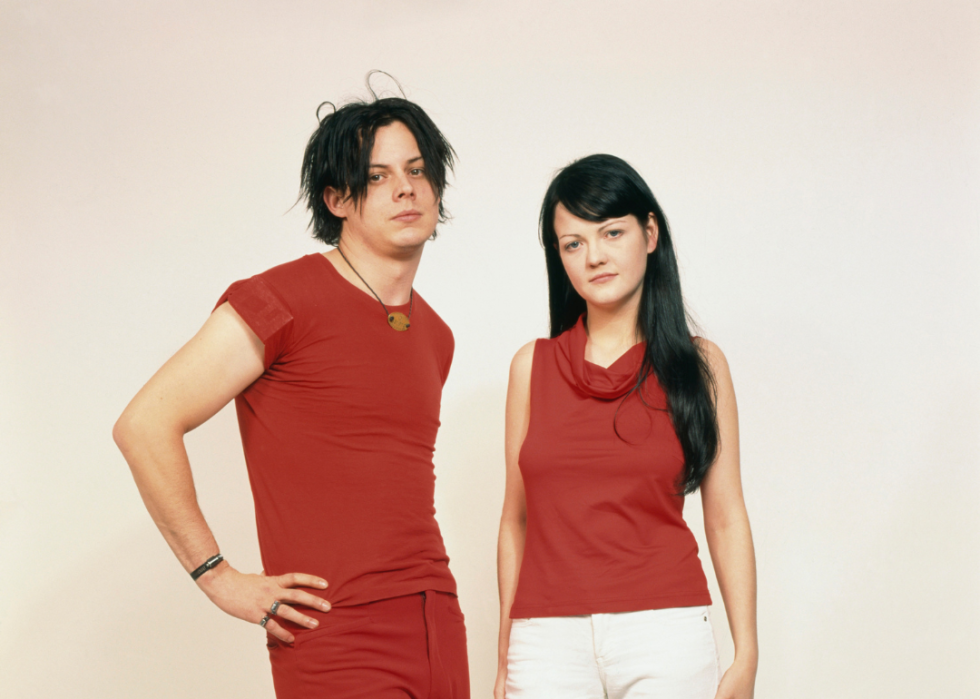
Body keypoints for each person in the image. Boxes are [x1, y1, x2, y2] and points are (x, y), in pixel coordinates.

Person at [113, 94, 469, 699]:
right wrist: (217, 577)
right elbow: (144, 425)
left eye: (416, 170)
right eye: (376, 176)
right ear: (337, 200)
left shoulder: (435, 334)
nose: (405, 189)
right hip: (334, 630)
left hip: (437, 619)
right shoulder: (280, 299)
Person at [495, 154, 758, 699]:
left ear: (650, 232)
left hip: (666, 633)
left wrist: (747, 649)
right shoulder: (531, 367)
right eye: (573, 243)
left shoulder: (700, 366)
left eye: (611, 232)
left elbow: (726, 515)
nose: (594, 256)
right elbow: (515, 522)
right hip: (546, 641)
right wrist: (506, 654)